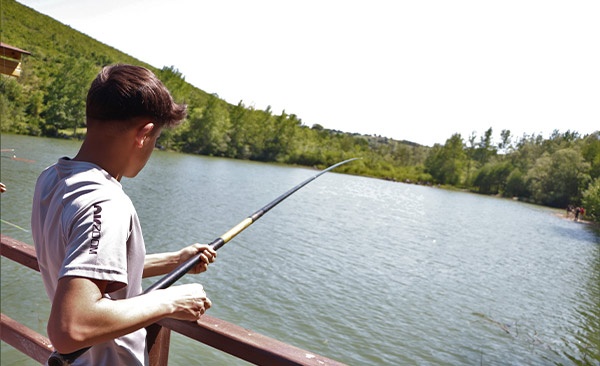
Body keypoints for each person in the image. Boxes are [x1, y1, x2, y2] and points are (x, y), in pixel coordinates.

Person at [31, 64, 217, 365]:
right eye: (156, 139)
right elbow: (69, 327)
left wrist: (175, 261)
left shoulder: (52, 179)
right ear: (144, 134)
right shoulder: (106, 202)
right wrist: (169, 300)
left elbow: (86, 267)